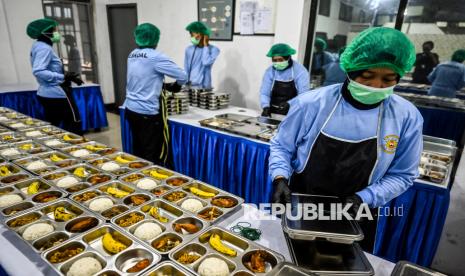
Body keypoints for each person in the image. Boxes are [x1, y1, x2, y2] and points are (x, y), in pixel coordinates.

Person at [270, 27, 423, 252]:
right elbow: (282, 146)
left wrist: (366, 198)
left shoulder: (406, 117)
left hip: (358, 213)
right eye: (368, 77)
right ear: (350, 69)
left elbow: (403, 174)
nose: (376, 86)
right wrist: (280, 177)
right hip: (303, 204)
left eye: (388, 79)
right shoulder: (312, 104)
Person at [124, 23, 187, 164]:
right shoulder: (156, 57)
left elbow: (144, 77)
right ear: (156, 39)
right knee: (153, 153)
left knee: (138, 149)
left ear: (137, 38)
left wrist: (160, 84)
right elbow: (183, 76)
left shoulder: (132, 54)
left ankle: (139, 178)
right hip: (148, 112)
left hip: (131, 109)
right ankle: (151, 182)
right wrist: (176, 86)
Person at [27, 18, 83, 134]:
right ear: (46, 32)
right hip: (57, 93)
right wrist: (62, 77)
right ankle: (76, 149)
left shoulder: (38, 45)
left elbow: (48, 68)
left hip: (45, 92)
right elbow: (38, 70)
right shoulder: (44, 48)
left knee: (54, 125)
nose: (57, 33)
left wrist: (67, 75)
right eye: (54, 30)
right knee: (74, 123)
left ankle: (56, 149)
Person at [260, 43, 310, 117]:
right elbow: (264, 93)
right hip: (273, 111)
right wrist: (265, 107)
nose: (277, 63)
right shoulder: (270, 71)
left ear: (288, 58)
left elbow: (304, 95)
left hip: (294, 111)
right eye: (274, 60)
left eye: (280, 60)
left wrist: (290, 103)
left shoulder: (300, 71)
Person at [184, 21, 220, 89]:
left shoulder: (214, 50)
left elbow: (205, 62)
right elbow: (186, 69)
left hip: (205, 86)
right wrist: (185, 84)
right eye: (191, 35)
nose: (191, 37)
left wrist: (205, 45)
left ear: (202, 34)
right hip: (191, 86)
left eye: (192, 35)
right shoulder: (189, 50)